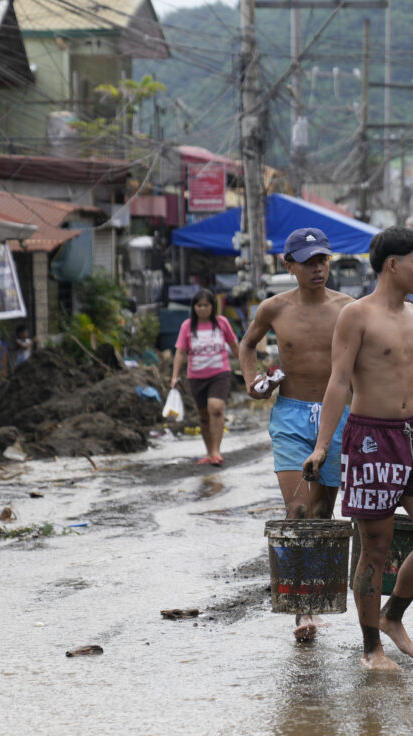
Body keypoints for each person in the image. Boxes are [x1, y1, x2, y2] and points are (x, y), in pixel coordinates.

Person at [302, 226, 413, 671]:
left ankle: (393, 616)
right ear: (392, 264)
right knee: (375, 549)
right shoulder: (356, 315)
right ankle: (370, 648)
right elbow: (338, 382)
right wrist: (322, 448)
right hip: (371, 440)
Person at [238, 227, 353, 642]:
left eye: (322, 260)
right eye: (308, 262)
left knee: (323, 514)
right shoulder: (273, 308)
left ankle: (317, 597)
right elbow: (247, 345)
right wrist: (253, 382)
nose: (317, 269)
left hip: (337, 417)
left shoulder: (348, 308)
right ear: (289, 266)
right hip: (289, 414)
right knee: (298, 511)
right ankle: (300, 610)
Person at [171, 289, 239, 466]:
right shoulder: (187, 326)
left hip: (220, 373)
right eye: (199, 305)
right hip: (196, 377)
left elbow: (235, 346)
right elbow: (180, 353)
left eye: (206, 305)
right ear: (194, 307)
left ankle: (217, 451)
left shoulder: (221, 323)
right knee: (203, 415)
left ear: (212, 306)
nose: (202, 309)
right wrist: (174, 377)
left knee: (215, 408)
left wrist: (247, 369)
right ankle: (209, 452)